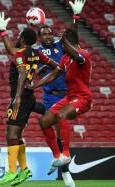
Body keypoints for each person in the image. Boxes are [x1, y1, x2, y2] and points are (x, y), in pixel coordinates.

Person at [0, 12, 58, 186]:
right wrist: (39, 79)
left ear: (21, 39)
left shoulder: (20, 54)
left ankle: (12, 172)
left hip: (21, 98)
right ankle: (25, 169)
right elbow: (56, 67)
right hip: (29, 97)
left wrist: (17, 98)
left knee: (11, 134)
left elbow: (21, 72)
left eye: (19, 36)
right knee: (17, 135)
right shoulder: (36, 53)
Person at [30, 28, 92, 173]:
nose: (61, 47)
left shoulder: (83, 54)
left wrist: (64, 39)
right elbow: (53, 75)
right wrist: (34, 85)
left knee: (61, 115)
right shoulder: (64, 59)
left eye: (63, 44)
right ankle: (57, 156)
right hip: (69, 97)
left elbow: (77, 56)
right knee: (44, 121)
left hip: (83, 97)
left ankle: (66, 154)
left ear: (68, 43)